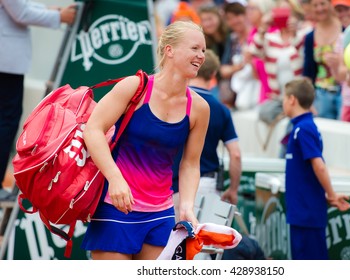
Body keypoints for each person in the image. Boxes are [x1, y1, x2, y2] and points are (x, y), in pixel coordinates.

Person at [81, 20, 210, 260]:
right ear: (169, 50)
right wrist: (115, 178)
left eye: (203, 50)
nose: (201, 56)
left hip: (160, 214)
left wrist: (187, 206)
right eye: (194, 48)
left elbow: (191, 164)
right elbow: (93, 130)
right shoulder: (134, 87)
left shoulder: (200, 108)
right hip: (115, 206)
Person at [0, 0, 76, 201]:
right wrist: (59, 16)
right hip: (5, 63)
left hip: (7, 62)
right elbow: (20, 12)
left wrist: (51, 11)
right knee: (6, 120)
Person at [282, 78, 350, 260]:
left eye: (283, 99)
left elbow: (318, 165)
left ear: (292, 100)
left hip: (306, 215)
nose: (282, 103)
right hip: (302, 213)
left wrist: (331, 194)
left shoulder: (303, 129)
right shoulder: (300, 127)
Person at [172, 49, 241, 220]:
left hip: (173, 183)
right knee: (206, 244)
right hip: (207, 184)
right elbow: (236, 154)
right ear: (213, 74)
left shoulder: (175, 103)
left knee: (174, 244)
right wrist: (233, 189)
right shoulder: (221, 109)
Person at [303, 0, 343, 120]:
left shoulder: (345, 28)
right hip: (321, 96)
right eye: (315, 5)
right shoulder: (310, 37)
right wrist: (307, 101)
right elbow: (308, 72)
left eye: (323, 3)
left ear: (330, 4)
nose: (320, 8)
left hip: (345, 92)